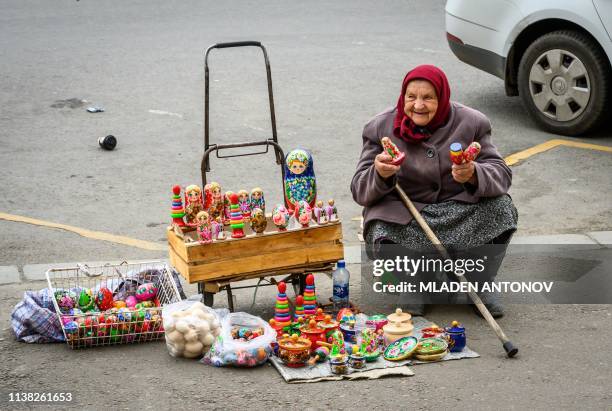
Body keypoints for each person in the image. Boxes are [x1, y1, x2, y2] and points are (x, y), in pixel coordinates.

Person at [351, 65, 518, 317]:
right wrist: (380, 174)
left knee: (502, 208)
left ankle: (478, 280)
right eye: (411, 97)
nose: (418, 105)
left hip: (458, 210)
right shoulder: (379, 127)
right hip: (409, 214)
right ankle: (415, 282)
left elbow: (502, 174)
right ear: (402, 97)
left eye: (428, 97)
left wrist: (474, 173)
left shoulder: (472, 122)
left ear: (442, 98)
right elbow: (359, 189)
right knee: (378, 225)